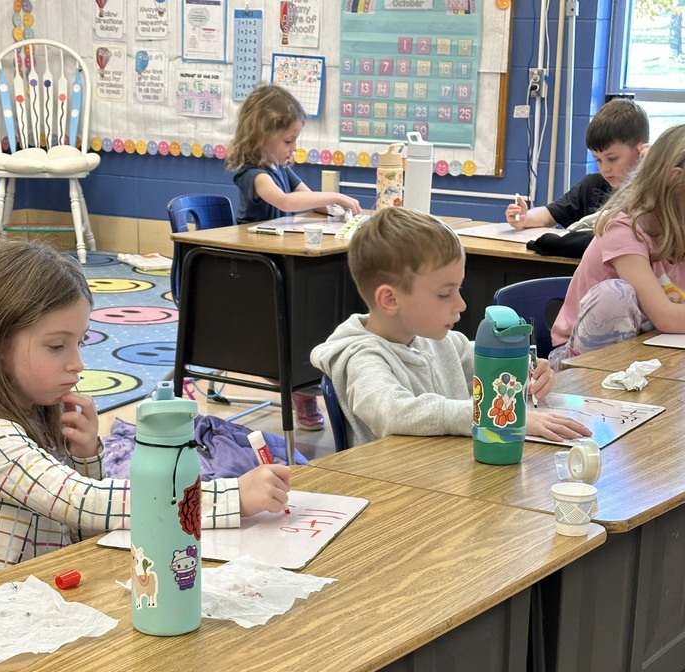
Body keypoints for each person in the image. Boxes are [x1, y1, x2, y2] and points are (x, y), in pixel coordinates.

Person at [0, 243, 291, 595]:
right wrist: (231, 497)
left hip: (22, 600)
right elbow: (82, 502)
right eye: (56, 346)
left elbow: (76, 526)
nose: (77, 363)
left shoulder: (32, 408)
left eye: (80, 341)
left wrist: (87, 456)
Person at [309, 206, 591, 448]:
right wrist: (489, 416)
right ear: (390, 299)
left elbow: (494, 367)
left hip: (446, 475)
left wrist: (529, 373)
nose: (461, 305)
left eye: (458, 289)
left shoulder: (441, 340)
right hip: (400, 496)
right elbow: (393, 412)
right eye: (445, 293)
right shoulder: (362, 358)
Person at [227, 82, 363, 431]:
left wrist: (333, 208)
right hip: (257, 271)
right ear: (260, 135)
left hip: (284, 261)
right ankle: (300, 387)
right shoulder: (253, 175)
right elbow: (285, 202)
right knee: (302, 312)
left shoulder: (282, 169)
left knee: (316, 300)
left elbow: (309, 198)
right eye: (288, 141)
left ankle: (307, 380)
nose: (294, 148)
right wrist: (337, 195)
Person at [549, 123, 685, 369]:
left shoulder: (679, 229)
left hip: (644, 355)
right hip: (575, 364)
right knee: (615, 294)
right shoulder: (624, 228)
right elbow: (665, 317)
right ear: (676, 179)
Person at [505, 98, 649, 234]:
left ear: (639, 151)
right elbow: (549, 214)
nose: (605, 168)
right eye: (598, 160)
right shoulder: (593, 185)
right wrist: (524, 217)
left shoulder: (657, 190)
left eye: (612, 158)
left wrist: (655, 165)